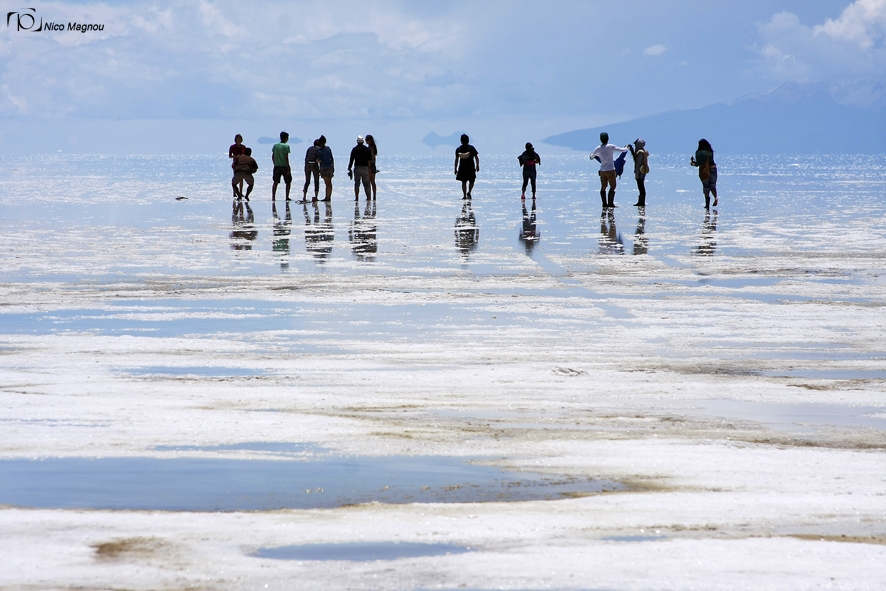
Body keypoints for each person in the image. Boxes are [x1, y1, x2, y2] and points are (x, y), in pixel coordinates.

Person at [590, 132, 629, 208]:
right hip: (610, 170)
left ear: (600, 139)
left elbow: (592, 157)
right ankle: (610, 203)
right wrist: (627, 147)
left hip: (602, 171)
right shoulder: (611, 147)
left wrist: (592, 155)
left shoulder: (598, 148)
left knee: (603, 187)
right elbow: (622, 150)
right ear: (608, 138)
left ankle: (604, 204)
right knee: (613, 186)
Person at [690, 139, 718, 208]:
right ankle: (716, 198)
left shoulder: (698, 152)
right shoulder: (710, 152)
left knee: (706, 187)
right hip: (713, 168)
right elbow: (710, 161)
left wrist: (693, 163)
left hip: (704, 171)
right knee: (712, 186)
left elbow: (698, 163)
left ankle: (707, 205)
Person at [454, 134, 479, 199]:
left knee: (464, 182)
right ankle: (469, 192)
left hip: (462, 168)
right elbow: (476, 157)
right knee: (472, 181)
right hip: (471, 167)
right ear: (468, 140)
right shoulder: (472, 148)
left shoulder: (458, 149)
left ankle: (464, 196)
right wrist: (477, 166)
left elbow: (456, 160)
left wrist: (455, 169)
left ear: (461, 141)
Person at [348, 135, 373, 201]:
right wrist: (369, 168)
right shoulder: (366, 149)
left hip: (357, 168)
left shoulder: (354, 149)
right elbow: (369, 160)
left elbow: (351, 159)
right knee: (366, 184)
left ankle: (356, 198)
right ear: (363, 142)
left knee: (357, 183)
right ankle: (368, 198)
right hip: (365, 168)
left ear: (357, 142)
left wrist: (349, 167)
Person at [627, 138, 649, 207]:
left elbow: (638, 163)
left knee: (641, 186)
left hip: (640, 172)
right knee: (641, 186)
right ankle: (641, 201)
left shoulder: (640, 153)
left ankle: (641, 202)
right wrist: (631, 150)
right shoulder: (643, 151)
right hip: (643, 171)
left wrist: (637, 174)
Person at [271, 131, 292, 201]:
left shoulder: (275, 146)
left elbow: (273, 157)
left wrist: (275, 164)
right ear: (286, 138)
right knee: (288, 182)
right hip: (284, 166)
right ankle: (287, 197)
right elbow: (286, 157)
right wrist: (288, 167)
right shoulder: (286, 146)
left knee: (275, 182)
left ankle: (273, 197)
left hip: (277, 166)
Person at [316, 135, 334, 201]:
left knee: (327, 183)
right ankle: (329, 197)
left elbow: (320, 159)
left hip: (324, 167)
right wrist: (333, 167)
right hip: (330, 167)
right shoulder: (328, 149)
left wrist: (317, 160)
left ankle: (327, 197)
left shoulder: (319, 150)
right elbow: (332, 158)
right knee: (330, 183)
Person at [229, 134, 247, 198]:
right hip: (235, 163)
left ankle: (240, 192)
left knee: (241, 178)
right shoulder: (232, 147)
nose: (238, 140)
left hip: (241, 163)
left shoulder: (243, 147)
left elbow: (245, 154)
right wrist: (236, 156)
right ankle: (234, 192)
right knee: (235, 178)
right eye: (237, 139)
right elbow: (230, 156)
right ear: (235, 140)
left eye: (239, 139)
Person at [366, 134, 378, 200]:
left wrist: (369, 167)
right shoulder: (374, 147)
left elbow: (370, 158)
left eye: (367, 140)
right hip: (373, 165)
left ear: (370, 140)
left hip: (370, 165)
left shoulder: (370, 148)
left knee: (369, 182)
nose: (366, 141)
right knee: (373, 181)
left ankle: (370, 196)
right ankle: (374, 196)